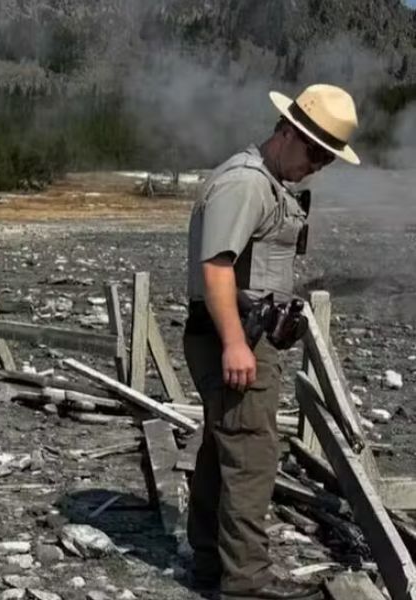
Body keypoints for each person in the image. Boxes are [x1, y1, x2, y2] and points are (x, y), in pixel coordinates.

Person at [184, 84, 359, 600]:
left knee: (225, 448)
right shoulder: (246, 184)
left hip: (241, 328)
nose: (318, 165)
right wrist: (237, 343)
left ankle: (211, 565)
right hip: (232, 332)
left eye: (327, 158)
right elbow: (216, 268)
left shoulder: (268, 183)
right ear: (288, 131)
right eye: (315, 152)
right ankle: (246, 584)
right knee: (253, 455)